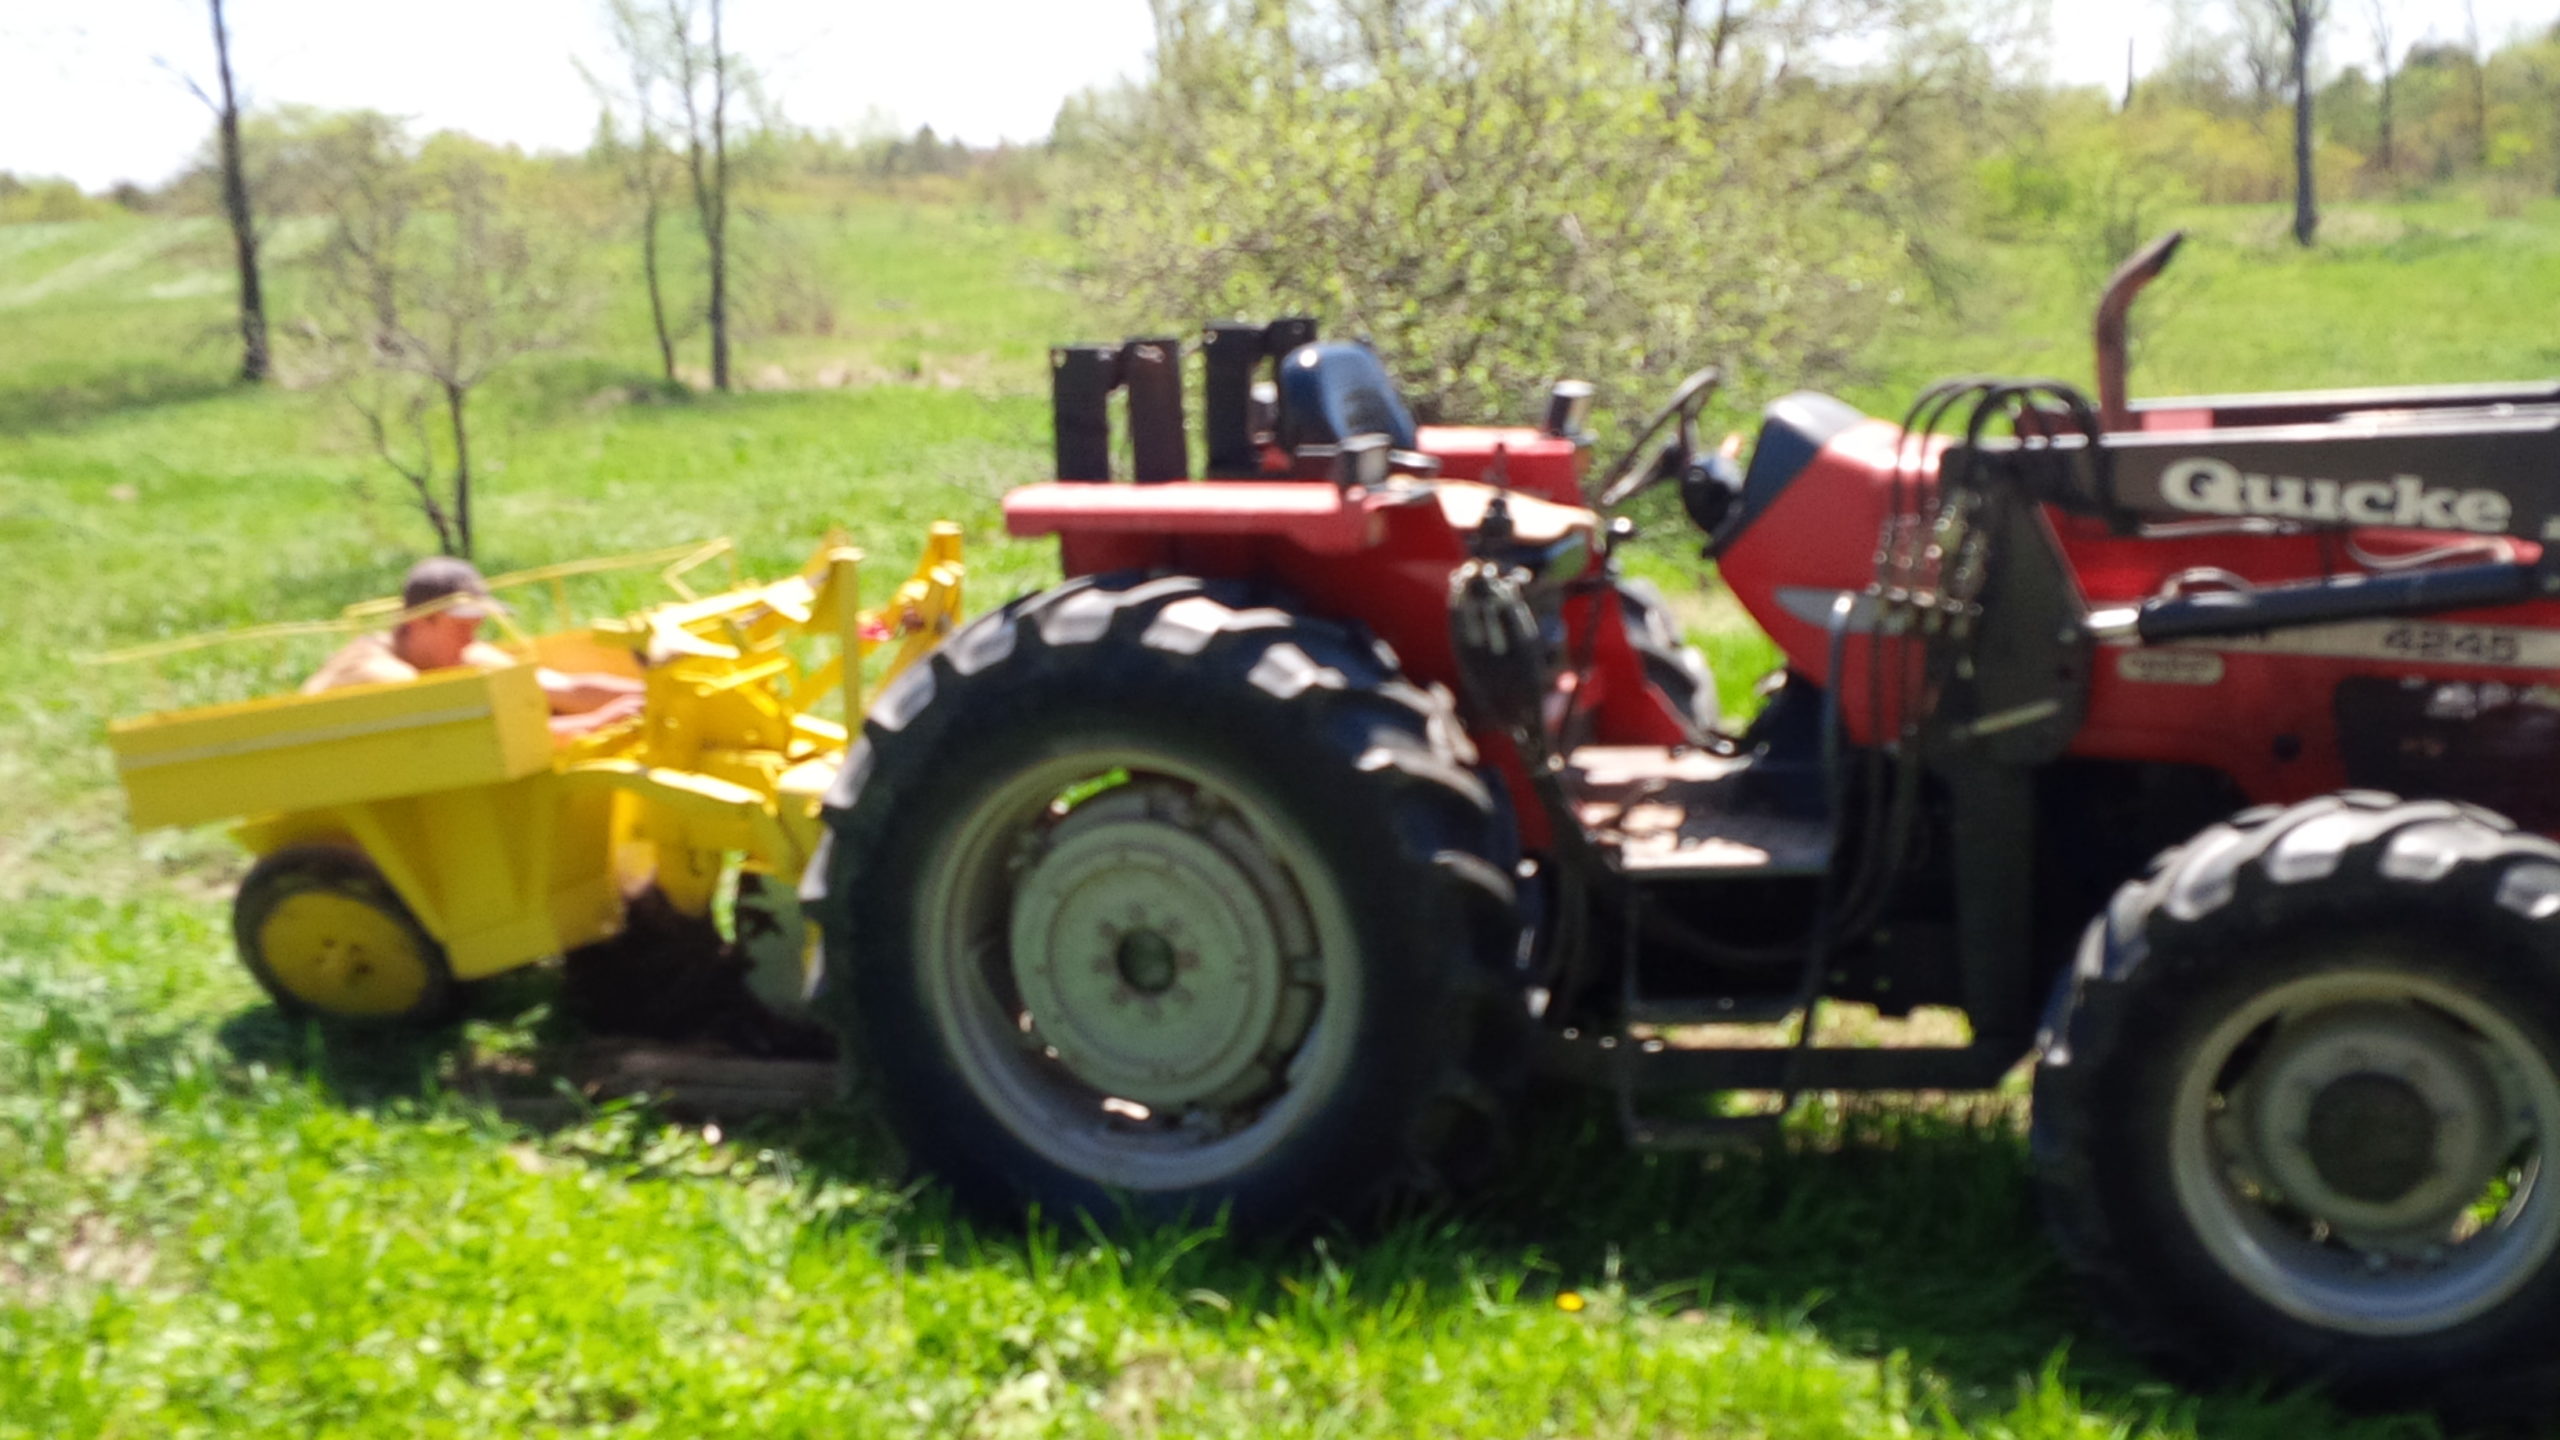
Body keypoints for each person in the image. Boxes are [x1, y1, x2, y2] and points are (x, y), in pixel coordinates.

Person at [303, 556, 645, 737]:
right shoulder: (380, 675)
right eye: (461, 627)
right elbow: (478, 742)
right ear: (418, 622)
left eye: (477, 626)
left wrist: (656, 696)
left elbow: (565, 688)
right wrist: (597, 722)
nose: (471, 640)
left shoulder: (458, 653)